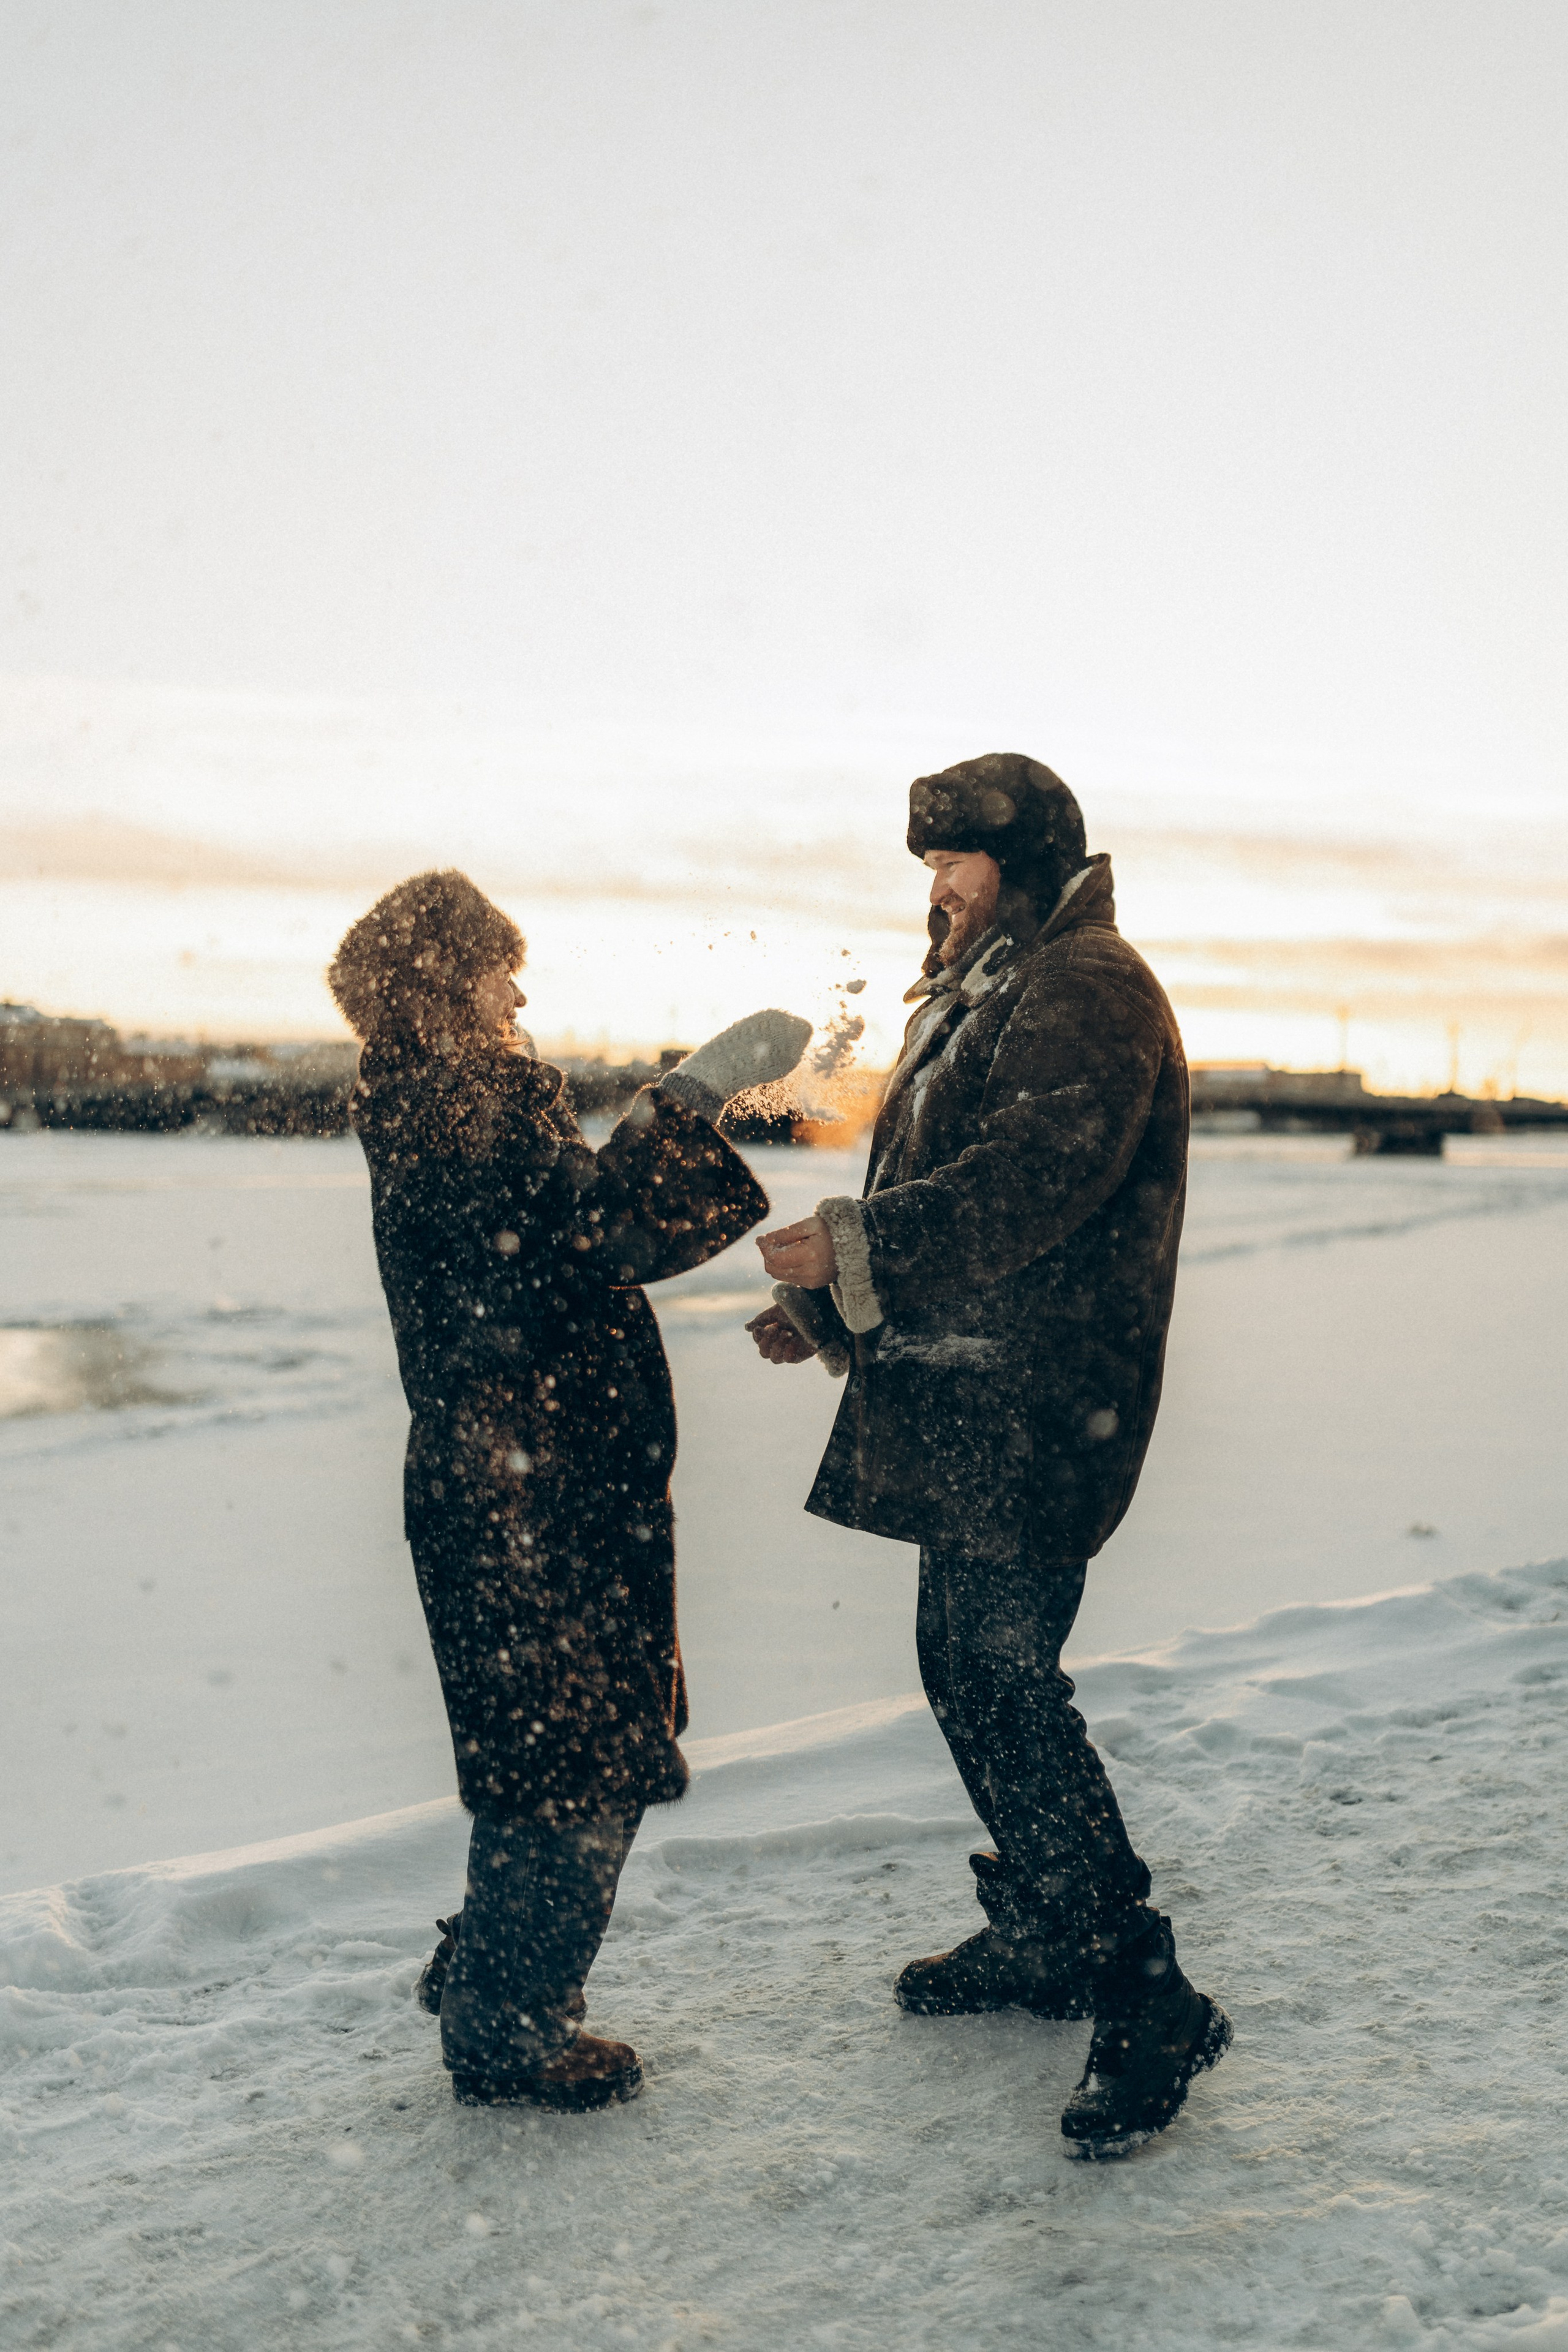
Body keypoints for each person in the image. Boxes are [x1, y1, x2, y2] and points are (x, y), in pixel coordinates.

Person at [747, 754, 1230, 2161]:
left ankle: (1143, 1989)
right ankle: (1041, 1927)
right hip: (983, 1398)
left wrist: (857, 1248)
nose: (936, 891)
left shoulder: (1082, 983)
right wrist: (832, 1298)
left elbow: (1026, 1183)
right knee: (972, 1674)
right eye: (927, 867)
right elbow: (936, 1184)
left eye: (952, 863)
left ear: (1019, 862)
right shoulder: (996, 987)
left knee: (999, 1684)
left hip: (1037, 1404)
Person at [330, 870, 807, 2110]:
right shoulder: (464, 1091)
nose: (519, 985)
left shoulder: (432, 1093)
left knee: (550, 1740)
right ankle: (508, 2022)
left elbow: (555, 1236)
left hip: (518, 1472)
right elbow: (602, 1236)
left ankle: (495, 1961)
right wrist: (688, 1098)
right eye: (501, 962)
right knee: (577, 1756)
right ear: (451, 979)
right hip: (526, 1485)